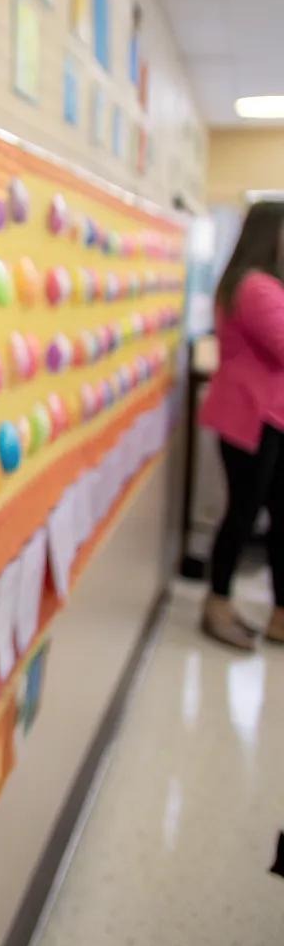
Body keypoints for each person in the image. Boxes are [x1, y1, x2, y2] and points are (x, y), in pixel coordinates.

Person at [199, 200, 284, 649]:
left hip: (268, 418)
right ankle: (217, 603)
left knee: (273, 515)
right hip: (251, 418)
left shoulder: (263, 285)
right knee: (243, 513)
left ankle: (277, 613)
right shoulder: (255, 287)